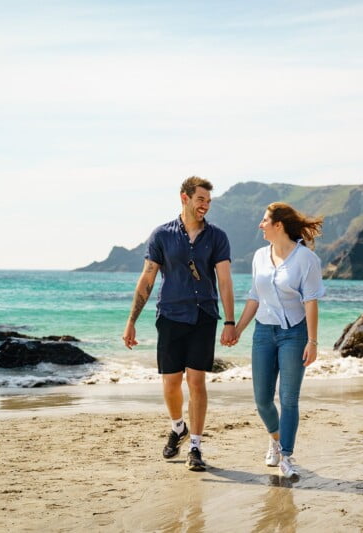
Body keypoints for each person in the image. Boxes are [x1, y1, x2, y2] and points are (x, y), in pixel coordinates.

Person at [122, 176, 236, 472]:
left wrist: (230, 321)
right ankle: (178, 427)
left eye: (209, 202)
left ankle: (196, 446)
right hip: (170, 315)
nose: (205, 207)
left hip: (204, 316)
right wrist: (131, 321)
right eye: (201, 200)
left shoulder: (217, 237)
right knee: (171, 382)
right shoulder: (161, 235)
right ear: (184, 198)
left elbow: (224, 281)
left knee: (196, 381)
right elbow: (147, 278)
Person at [234, 202, 325, 479]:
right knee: (262, 399)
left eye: (264, 220)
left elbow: (310, 302)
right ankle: (274, 438)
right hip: (263, 332)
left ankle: (286, 455)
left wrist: (312, 342)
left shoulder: (306, 260)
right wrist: (237, 329)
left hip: (294, 334)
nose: (260, 225)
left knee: (289, 398)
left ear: (279, 225)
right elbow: (254, 296)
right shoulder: (260, 256)